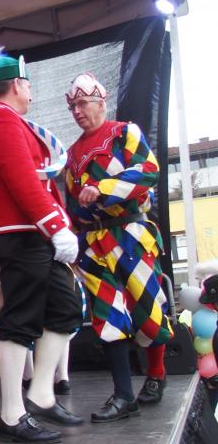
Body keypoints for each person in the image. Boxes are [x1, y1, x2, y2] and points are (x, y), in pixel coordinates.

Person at [0, 48, 84, 443]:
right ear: (16, 84)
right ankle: (12, 416)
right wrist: (55, 226)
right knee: (20, 321)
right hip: (22, 232)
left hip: (32, 232)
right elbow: (21, 179)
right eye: (29, 84)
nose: (32, 92)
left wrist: (54, 227)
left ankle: (42, 394)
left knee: (65, 310)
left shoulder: (9, 122)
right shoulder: (0, 121)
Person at [63, 73, 172, 421]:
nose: (77, 111)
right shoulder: (72, 154)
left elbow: (148, 171)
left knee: (147, 306)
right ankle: (124, 396)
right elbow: (75, 205)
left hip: (131, 233)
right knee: (108, 316)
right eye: (72, 106)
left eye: (82, 103)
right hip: (95, 242)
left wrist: (104, 188)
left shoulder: (125, 132)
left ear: (101, 102)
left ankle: (156, 375)